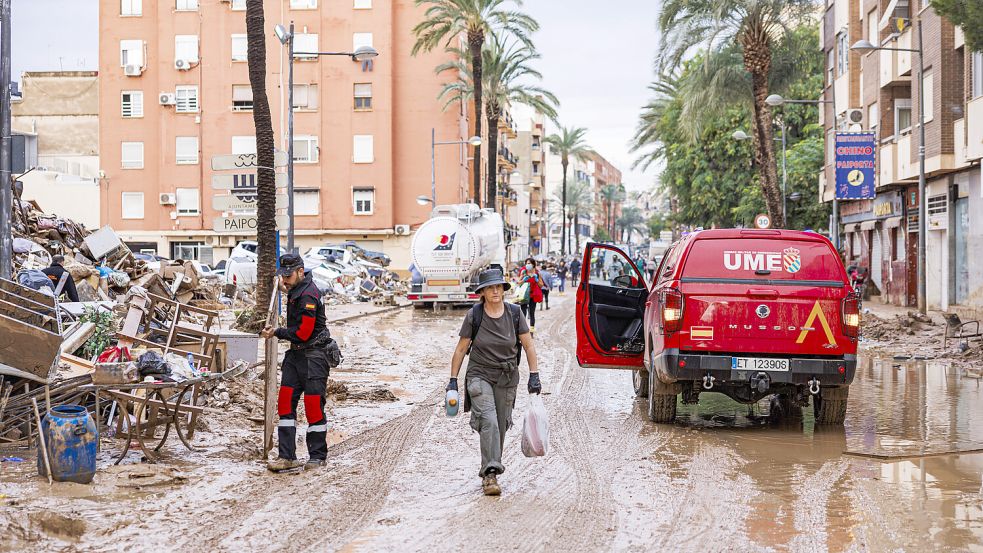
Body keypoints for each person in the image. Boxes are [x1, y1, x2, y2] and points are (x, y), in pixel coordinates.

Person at [447, 268, 540, 496]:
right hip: (479, 375)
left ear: (504, 290)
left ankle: (492, 468)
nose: (495, 290)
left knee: (499, 424)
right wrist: (452, 381)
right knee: (488, 419)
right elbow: (460, 350)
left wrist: (534, 375)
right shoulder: (475, 315)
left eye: (499, 286)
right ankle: (489, 474)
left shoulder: (515, 313)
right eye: (490, 287)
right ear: (483, 292)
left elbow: (528, 345)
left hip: (506, 378)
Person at [261, 254, 332, 472]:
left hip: (314, 357)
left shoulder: (309, 295)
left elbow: (303, 332)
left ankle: (317, 457)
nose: (285, 281)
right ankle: (287, 457)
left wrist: (276, 332)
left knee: (312, 406)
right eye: (282, 276)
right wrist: (279, 287)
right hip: (295, 357)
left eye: (288, 276)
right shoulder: (296, 288)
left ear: (301, 272)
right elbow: (289, 290)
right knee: (285, 404)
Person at [517, 258, 545, 332]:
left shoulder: (537, 273)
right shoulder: (523, 272)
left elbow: (541, 285)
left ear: (533, 264)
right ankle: (523, 329)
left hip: (533, 295)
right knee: (523, 313)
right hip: (524, 295)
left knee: (532, 312)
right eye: (526, 263)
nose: (527, 265)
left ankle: (532, 329)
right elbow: (519, 283)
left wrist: (536, 280)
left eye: (529, 263)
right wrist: (523, 280)